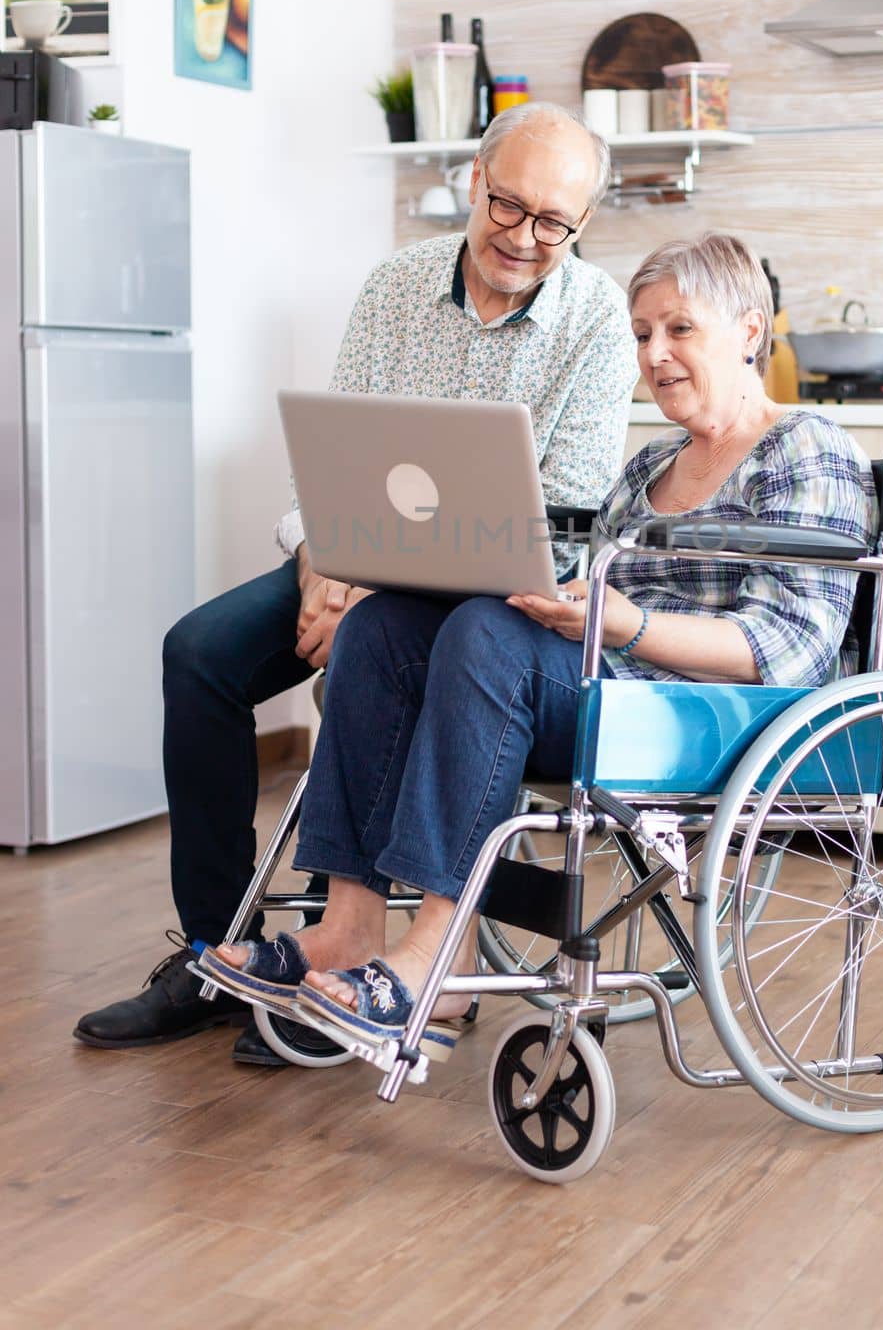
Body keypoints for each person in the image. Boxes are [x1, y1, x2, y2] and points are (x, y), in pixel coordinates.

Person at [200, 232, 880, 1062]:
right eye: (641, 334)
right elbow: (594, 606)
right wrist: (553, 600)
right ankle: (346, 929)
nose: (654, 355)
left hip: (713, 711)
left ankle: (434, 956)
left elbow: (791, 647)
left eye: (678, 329)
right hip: (609, 688)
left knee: (490, 638)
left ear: (748, 330)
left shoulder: (806, 449)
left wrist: (623, 623)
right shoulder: (649, 469)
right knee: (383, 628)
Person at [74, 103, 639, 1061]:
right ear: (474, 181)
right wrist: (321, 561)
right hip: (350, 561)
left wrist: (379, 589)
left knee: (409, 645)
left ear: (580, 226)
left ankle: (368, 963)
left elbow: (566, 523)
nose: (525, 238)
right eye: (509, 206)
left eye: (556, 222)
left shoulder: (597, 321)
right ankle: (212, 948)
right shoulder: (396, 285)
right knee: (199, 656)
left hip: (485, 600)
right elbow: (333, 458)